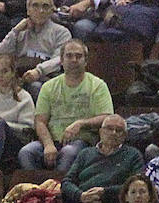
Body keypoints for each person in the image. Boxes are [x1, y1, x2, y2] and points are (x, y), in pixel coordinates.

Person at [18, 40, 113, 173]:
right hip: (51, 140)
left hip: (82, 141)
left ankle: (60, 190)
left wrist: (80, 123)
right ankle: (37, 190)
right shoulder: (48, 87)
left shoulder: (98, 85)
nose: (74, 60)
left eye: (78, 56)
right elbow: (40, 121)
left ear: (85, 61)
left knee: (68, 153)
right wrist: (48, 144)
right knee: (26, 152)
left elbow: (107, 118)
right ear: (61, 60)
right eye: (69, 56)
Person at [55, 113, 143, 203]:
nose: (113, 133)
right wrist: (80, 195)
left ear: (124, 136)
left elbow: (136, 184)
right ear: (101, 132)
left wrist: (104, 192)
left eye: (118, 130)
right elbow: (67, 181)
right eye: (109, 128)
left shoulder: (133, 155)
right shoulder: (85, 153)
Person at [0, 0, 71, 97]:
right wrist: (15, 31)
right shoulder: (20, 31)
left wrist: (39, 71)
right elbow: (0, 54)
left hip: (47, 78)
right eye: (35, 6)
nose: (40, 11)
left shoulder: (61, 32)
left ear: (52, 10)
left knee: (35, 86)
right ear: (28, 10)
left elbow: (59, 59)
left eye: (45, 6)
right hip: (20, 76)